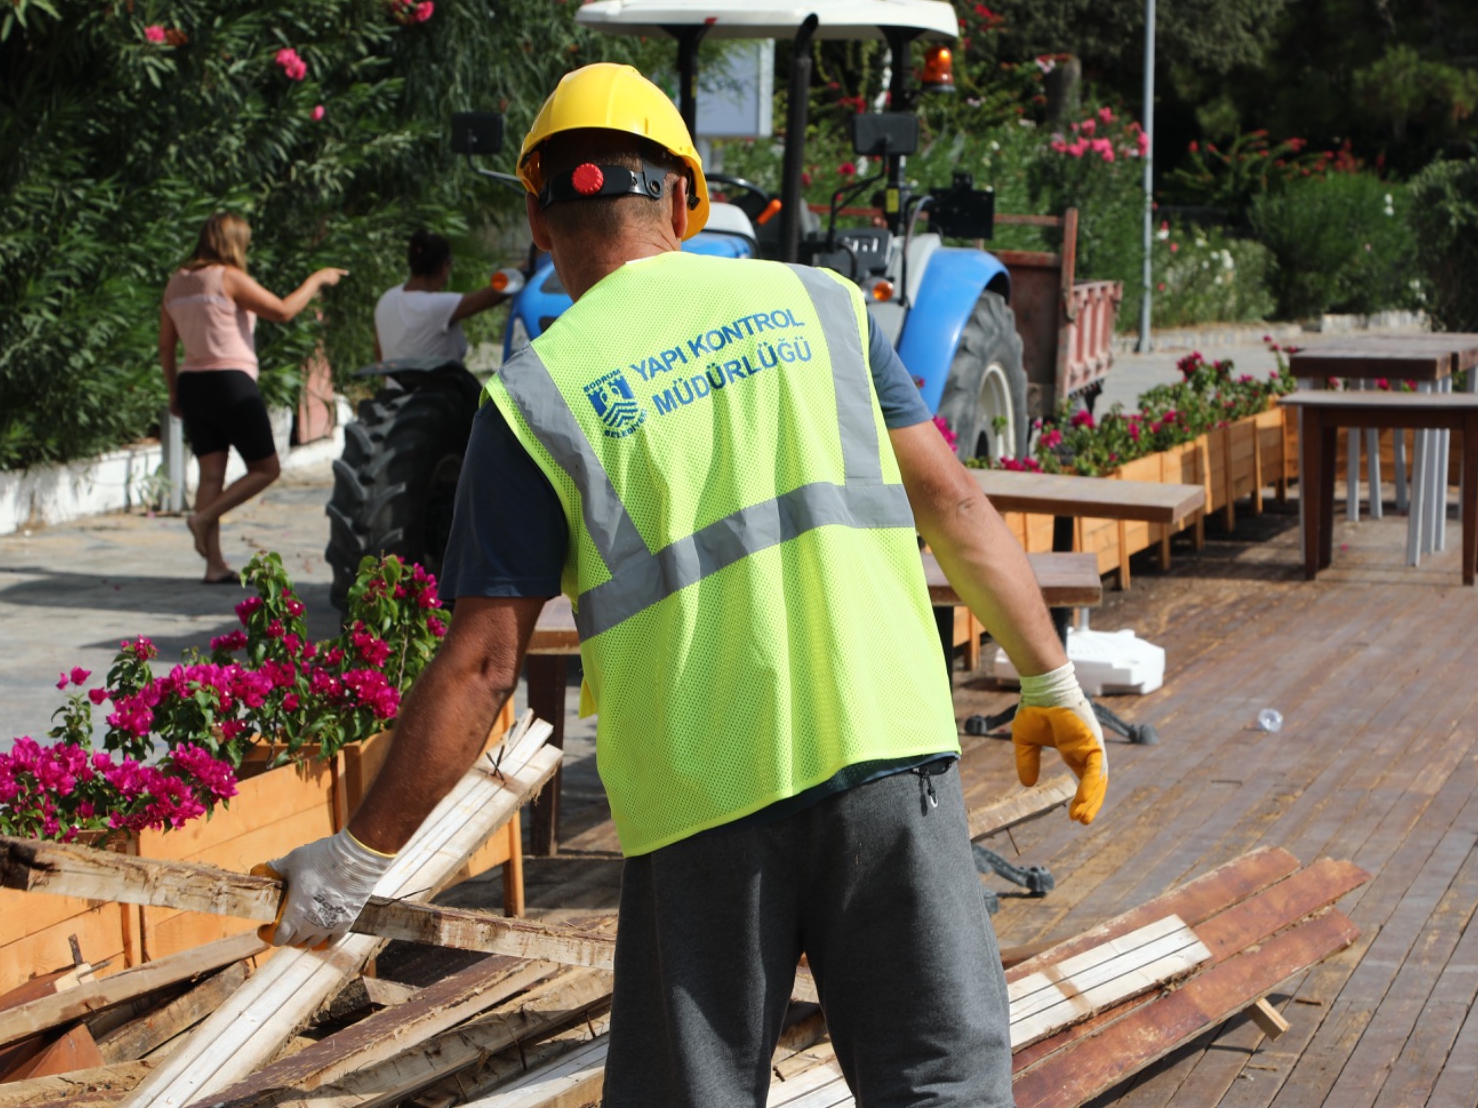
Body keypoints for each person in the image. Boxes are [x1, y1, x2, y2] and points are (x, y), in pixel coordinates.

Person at [262, 66, 1107, 1105]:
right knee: (941, 1086)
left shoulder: (537, 393)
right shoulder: (823, 304)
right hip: (892, 767)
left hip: (707, 805)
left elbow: (484, 663)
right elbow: (958, 506)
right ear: (686, 198)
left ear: (538, 214)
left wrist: (359, 855)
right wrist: (1050, 679)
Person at [159, 213, 347, 583]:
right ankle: (204, 518)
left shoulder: (176, 284)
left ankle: (214, 565)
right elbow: (283, 310)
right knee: (267, 468)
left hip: (192, 383)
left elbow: (166, 345)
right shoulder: (228, 278)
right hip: (230, 381)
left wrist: (173, 391)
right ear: (233, 243)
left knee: (211, 475)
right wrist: (318, 279)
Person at [372, 229, 509, 367]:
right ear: (444, 266)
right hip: (439, 388)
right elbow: (492, 295)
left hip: (394, 388)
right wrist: (521, 272)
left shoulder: (386, 299)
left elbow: (379, 352)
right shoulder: (435, 306)